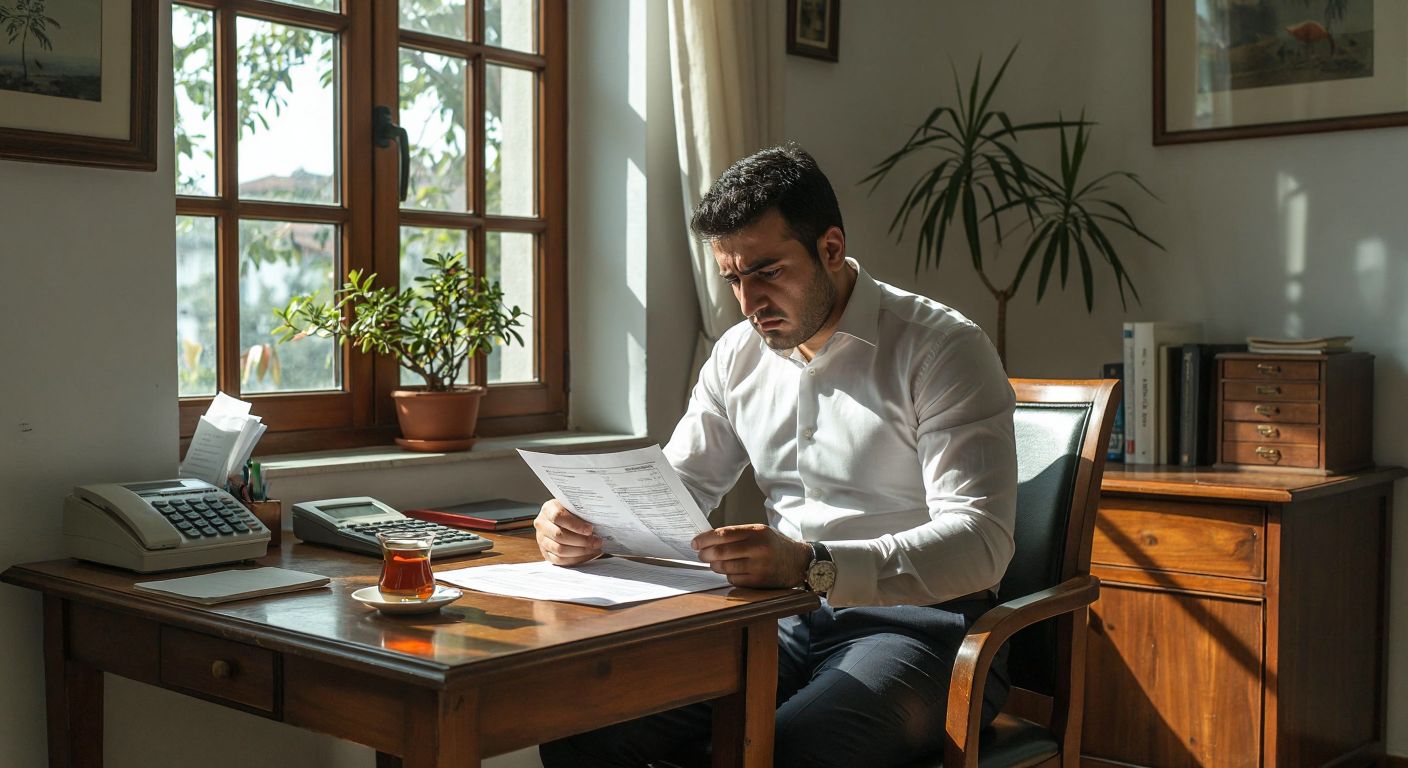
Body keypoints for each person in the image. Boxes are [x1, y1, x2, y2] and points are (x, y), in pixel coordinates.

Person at [535, 144, 1017, 768]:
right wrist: (584, 523)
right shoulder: (737, 355)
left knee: (785, 754)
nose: (748, 302)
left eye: (767, 271)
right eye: (733, 279)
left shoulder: (942, 348)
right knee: (582, 722)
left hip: (924, 632)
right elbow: (678, 488)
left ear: (831, 248)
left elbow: (981, 541)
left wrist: (814, 565)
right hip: (779, 622)